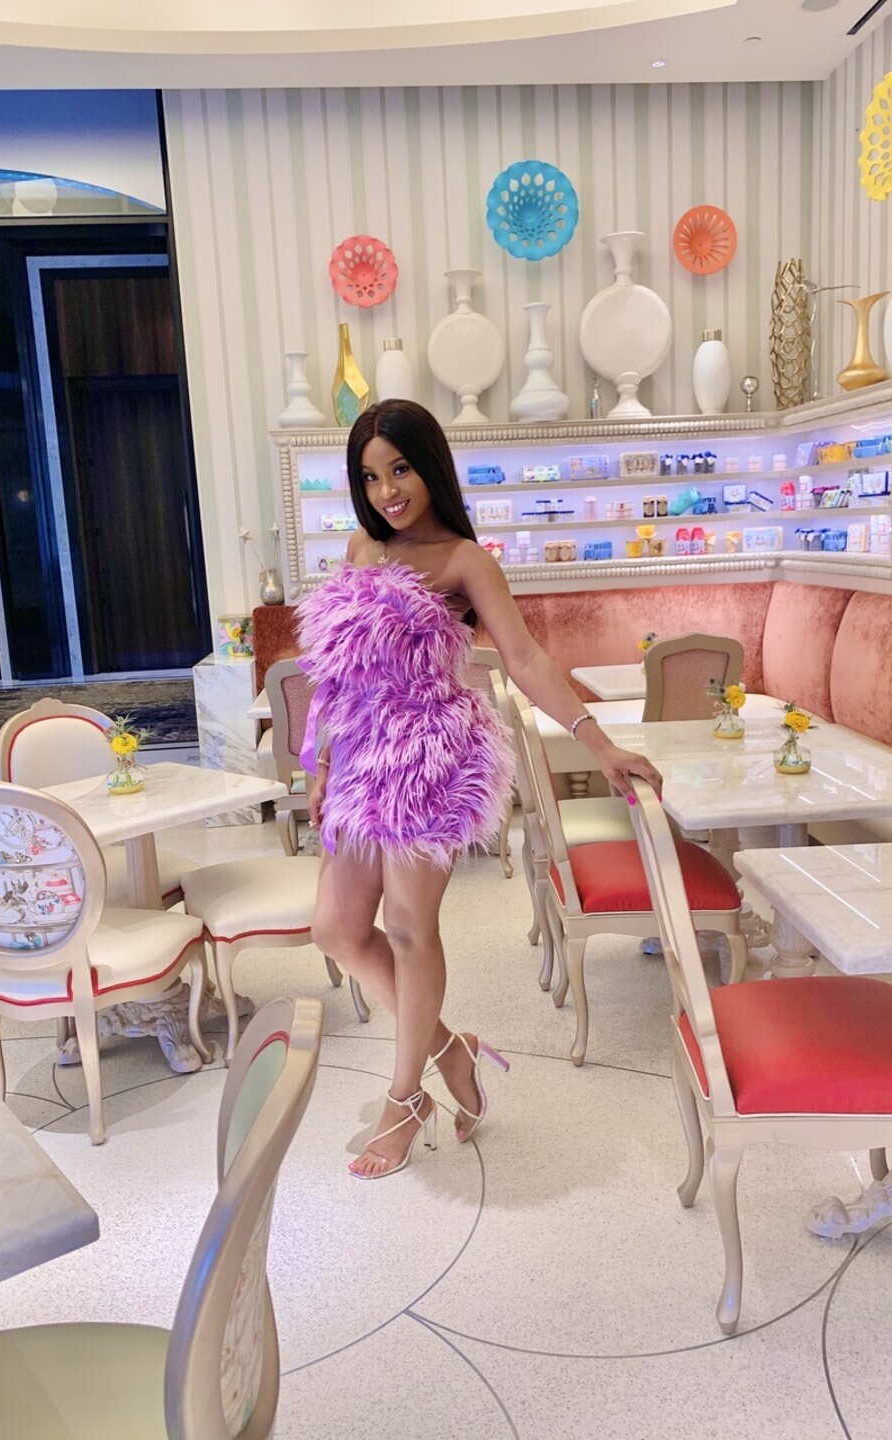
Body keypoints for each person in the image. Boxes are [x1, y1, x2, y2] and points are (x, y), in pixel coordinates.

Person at [303, 399, 663, 1180]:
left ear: (429, 465)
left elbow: (526, 659)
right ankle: (450, 1049)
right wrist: (323, 761)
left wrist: (599, 743)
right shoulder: (362, 547)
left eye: (400, 469)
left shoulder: (465, 561)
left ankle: (405, 1099)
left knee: (408, 931)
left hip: (430, 755)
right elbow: (339, 667)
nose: (387, 491)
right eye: (371, 476)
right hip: (360, 755)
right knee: (335, 927)